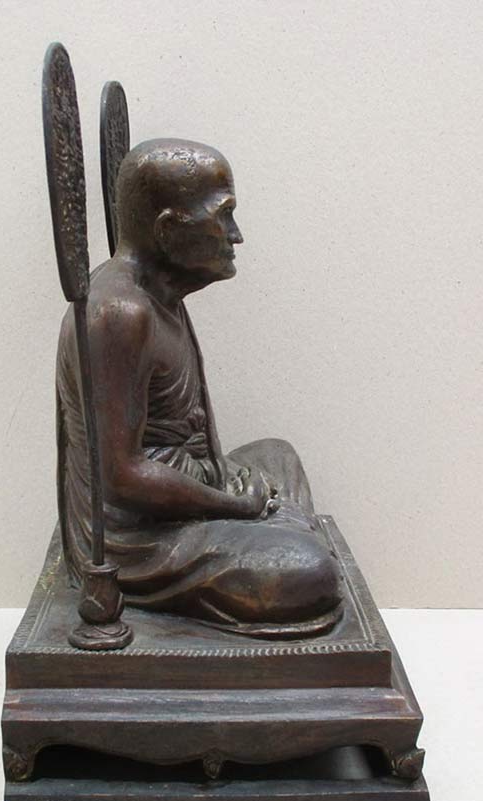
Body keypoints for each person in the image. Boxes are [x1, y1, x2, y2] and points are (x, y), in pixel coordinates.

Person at [57, 138, 342, 639]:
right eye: (223, 216)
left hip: (187, 488)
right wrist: (233, 505)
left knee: (277, 454)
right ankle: (283, 533)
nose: (236, 236)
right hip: (139, 537)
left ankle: (278, 529)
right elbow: (121, 476)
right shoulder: (120, 314)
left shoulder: (162, 293)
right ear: (168, 230)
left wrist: (225, 479)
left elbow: (179, 440)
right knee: (308, 569)